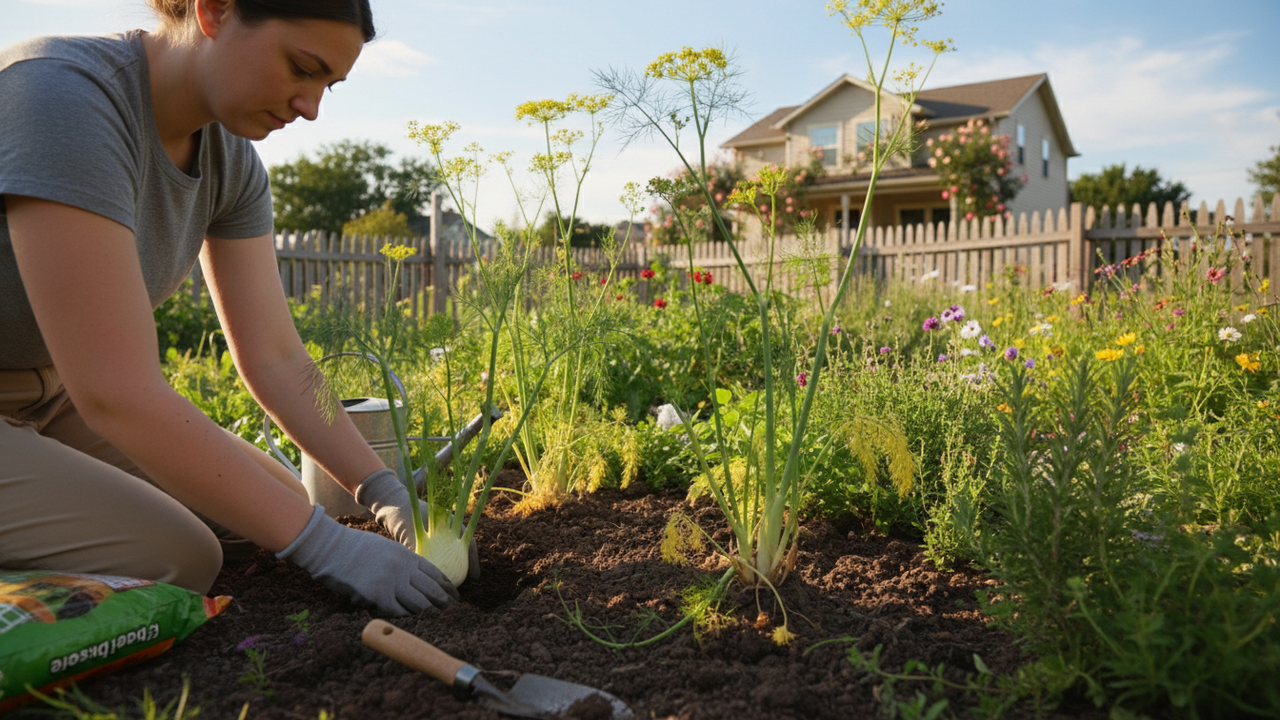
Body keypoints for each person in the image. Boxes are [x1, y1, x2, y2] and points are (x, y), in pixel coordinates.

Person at [0, 0, 467, 617]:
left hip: (51, 396)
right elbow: (116, 391)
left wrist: (384, 492)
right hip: (77, 394)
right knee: (178, 555)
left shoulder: (229, 162)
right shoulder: (63, 96)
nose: (311, 107)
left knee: (273, 504)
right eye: (302, 68)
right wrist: (328, 548)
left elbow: (276, 357)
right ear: (215, 11)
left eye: (328, 84)